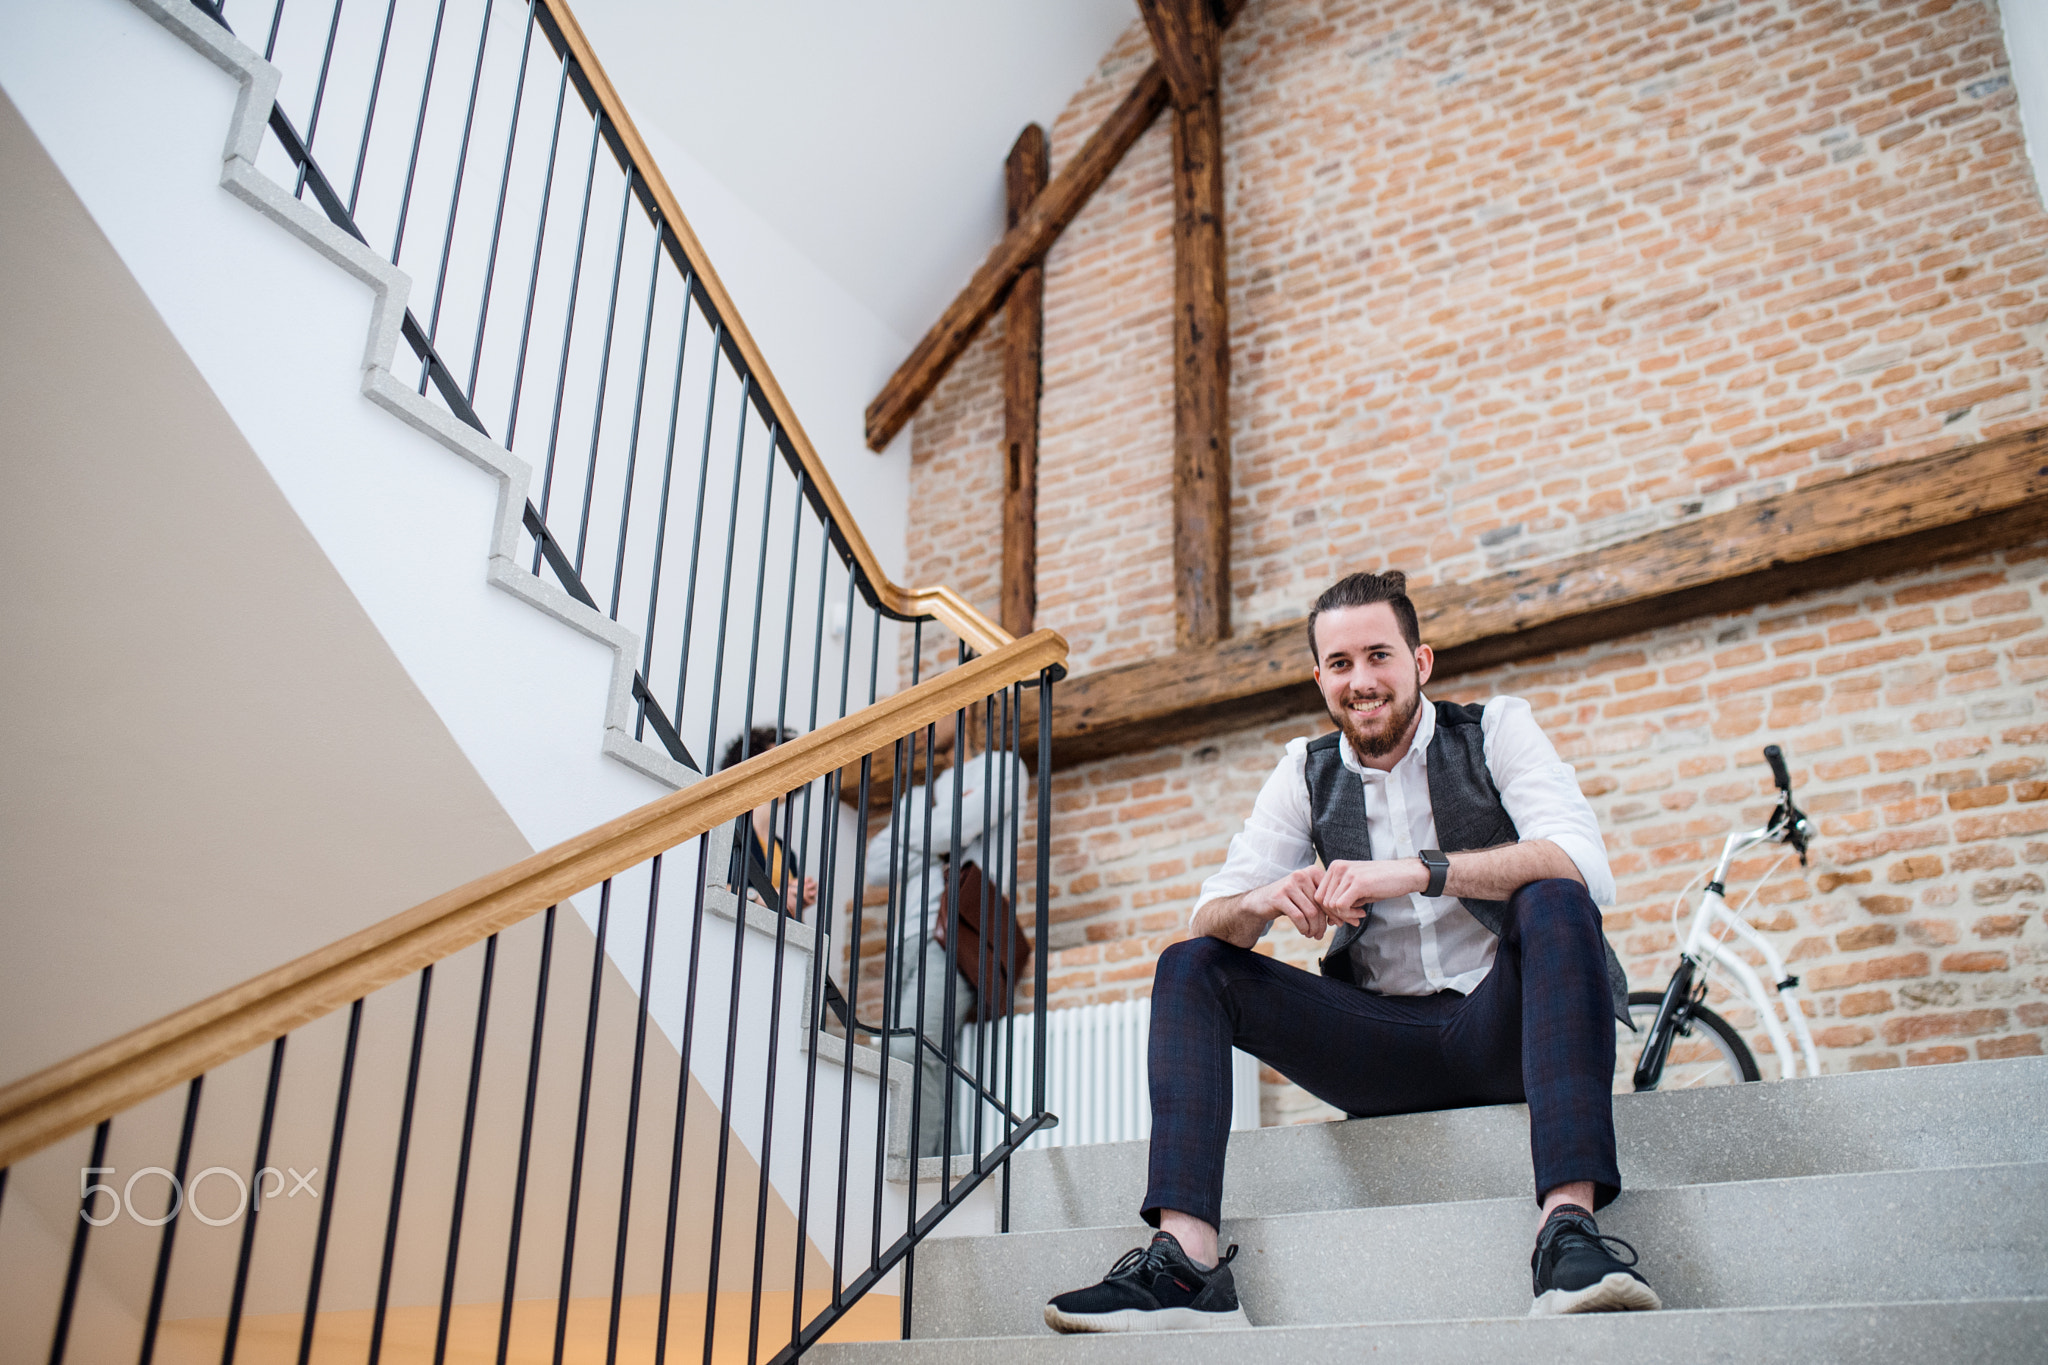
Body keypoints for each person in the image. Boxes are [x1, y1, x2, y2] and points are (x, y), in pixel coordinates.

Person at [1044, 570, 1658, 1333]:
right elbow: (1209, 911)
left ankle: (1568, 1234)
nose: (1362, 680)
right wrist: (1264, 901)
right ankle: (1188, 1263)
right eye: (1341, 664)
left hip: (1503, 1029)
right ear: (1320, 678)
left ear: (1421, 662)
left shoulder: (1496, 729)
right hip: (1383, 1047)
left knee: (1554, 893)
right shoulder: (1304, 771)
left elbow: (1582, 862)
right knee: (1191, 961)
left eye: (1379, 655)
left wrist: (1419, 870)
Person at [863, 726, 1024, 1158]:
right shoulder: (916, 796)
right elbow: (876, 866)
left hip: (955, 934)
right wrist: (943, 833)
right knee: (928, 1059)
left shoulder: (1002, 768)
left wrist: (913, 836)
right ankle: (945, 1180)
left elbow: (964, 827)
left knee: (910, 1048)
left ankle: (910, 1177)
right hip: (906, 940)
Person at [722, 726, 818, 918]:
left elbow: (785, 911)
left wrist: (796, 899)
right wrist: (759, 896)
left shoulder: (786, 852)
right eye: (776, 761)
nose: (786, 770)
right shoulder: (725, 832)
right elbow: (705, 886)